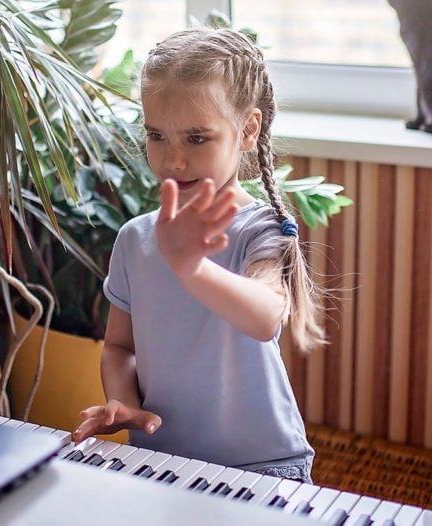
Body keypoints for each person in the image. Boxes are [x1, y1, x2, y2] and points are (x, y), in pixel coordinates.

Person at [71, 27, 326, 484]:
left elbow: (266, 316)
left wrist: (193, 267)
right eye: (157, 136)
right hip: (163, 461)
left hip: (262, 466)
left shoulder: (260, 228)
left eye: (196, 138)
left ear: (248, 130)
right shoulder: (135, 238)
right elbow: (119, 346)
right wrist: (124, 400)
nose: (173, 161)